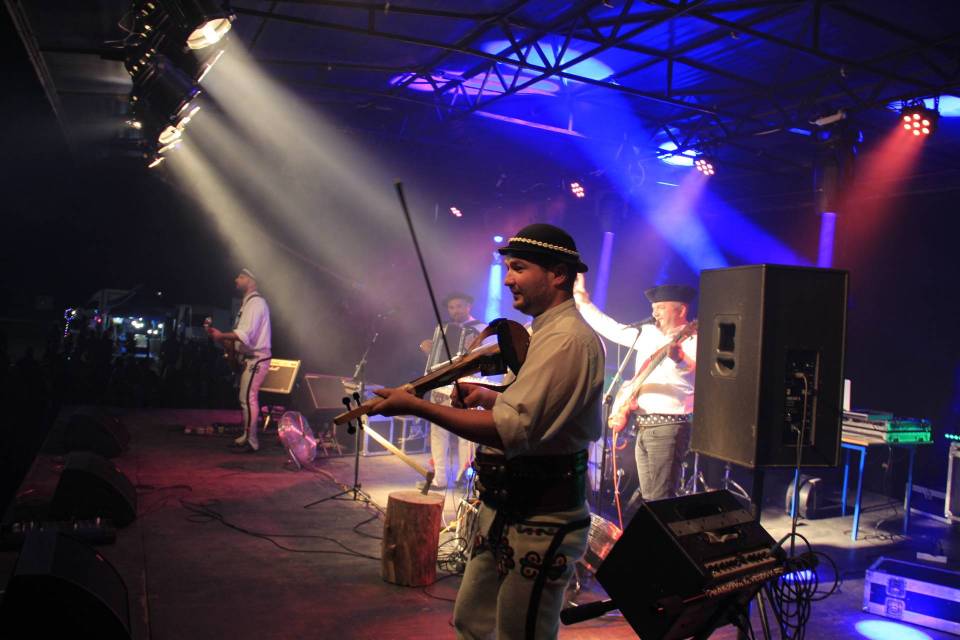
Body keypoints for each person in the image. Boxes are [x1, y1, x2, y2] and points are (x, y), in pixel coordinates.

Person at [370, 223, 604, 640]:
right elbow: (536, 414)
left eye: (519, 268)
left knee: (520, 633)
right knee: (471, 622)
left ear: (558, 274)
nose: (508, 279)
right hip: (505, 508)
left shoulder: (568, 339)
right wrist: (489, 396)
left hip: (543, 518)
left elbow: (511, 429)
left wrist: (418, 406)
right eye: (508, 268)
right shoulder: (542, 332)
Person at [573, 274, 696, 502]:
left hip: (669, 426)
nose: (655, 313)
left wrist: (679, 359)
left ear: (681, 310)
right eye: (653, 308)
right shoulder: (647, 333)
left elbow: (695, 376)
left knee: (661, 497)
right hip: (642, 424)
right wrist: (583, 301)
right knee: (649, 496)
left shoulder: (694, 339)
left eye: (661, 307)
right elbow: (613, 329)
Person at [418, 292, 485, 491]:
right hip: (442, 386)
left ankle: (463, 477)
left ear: (468, 306)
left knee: (466, 433)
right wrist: (428, 350)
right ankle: (439, 478)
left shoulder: (482, 329)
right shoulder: (443, 329)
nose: (455, 311)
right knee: (438, 432)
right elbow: (436, 360)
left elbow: (487, 361)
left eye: (459, 306)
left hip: (467, 385)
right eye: (451, 307)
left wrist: (475, 350)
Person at [207, 268, 272, 452]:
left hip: (257, 358)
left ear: (251, 281)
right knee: (246, 398)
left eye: (241, 277)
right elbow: (243, 336)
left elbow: (246, 334)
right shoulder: (249, 303)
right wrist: (223, 339)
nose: (236, 279)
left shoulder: (256, 303)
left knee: (248, 398)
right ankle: (247, 436)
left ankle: (252, 441)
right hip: (252, 358)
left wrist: (222, 336)